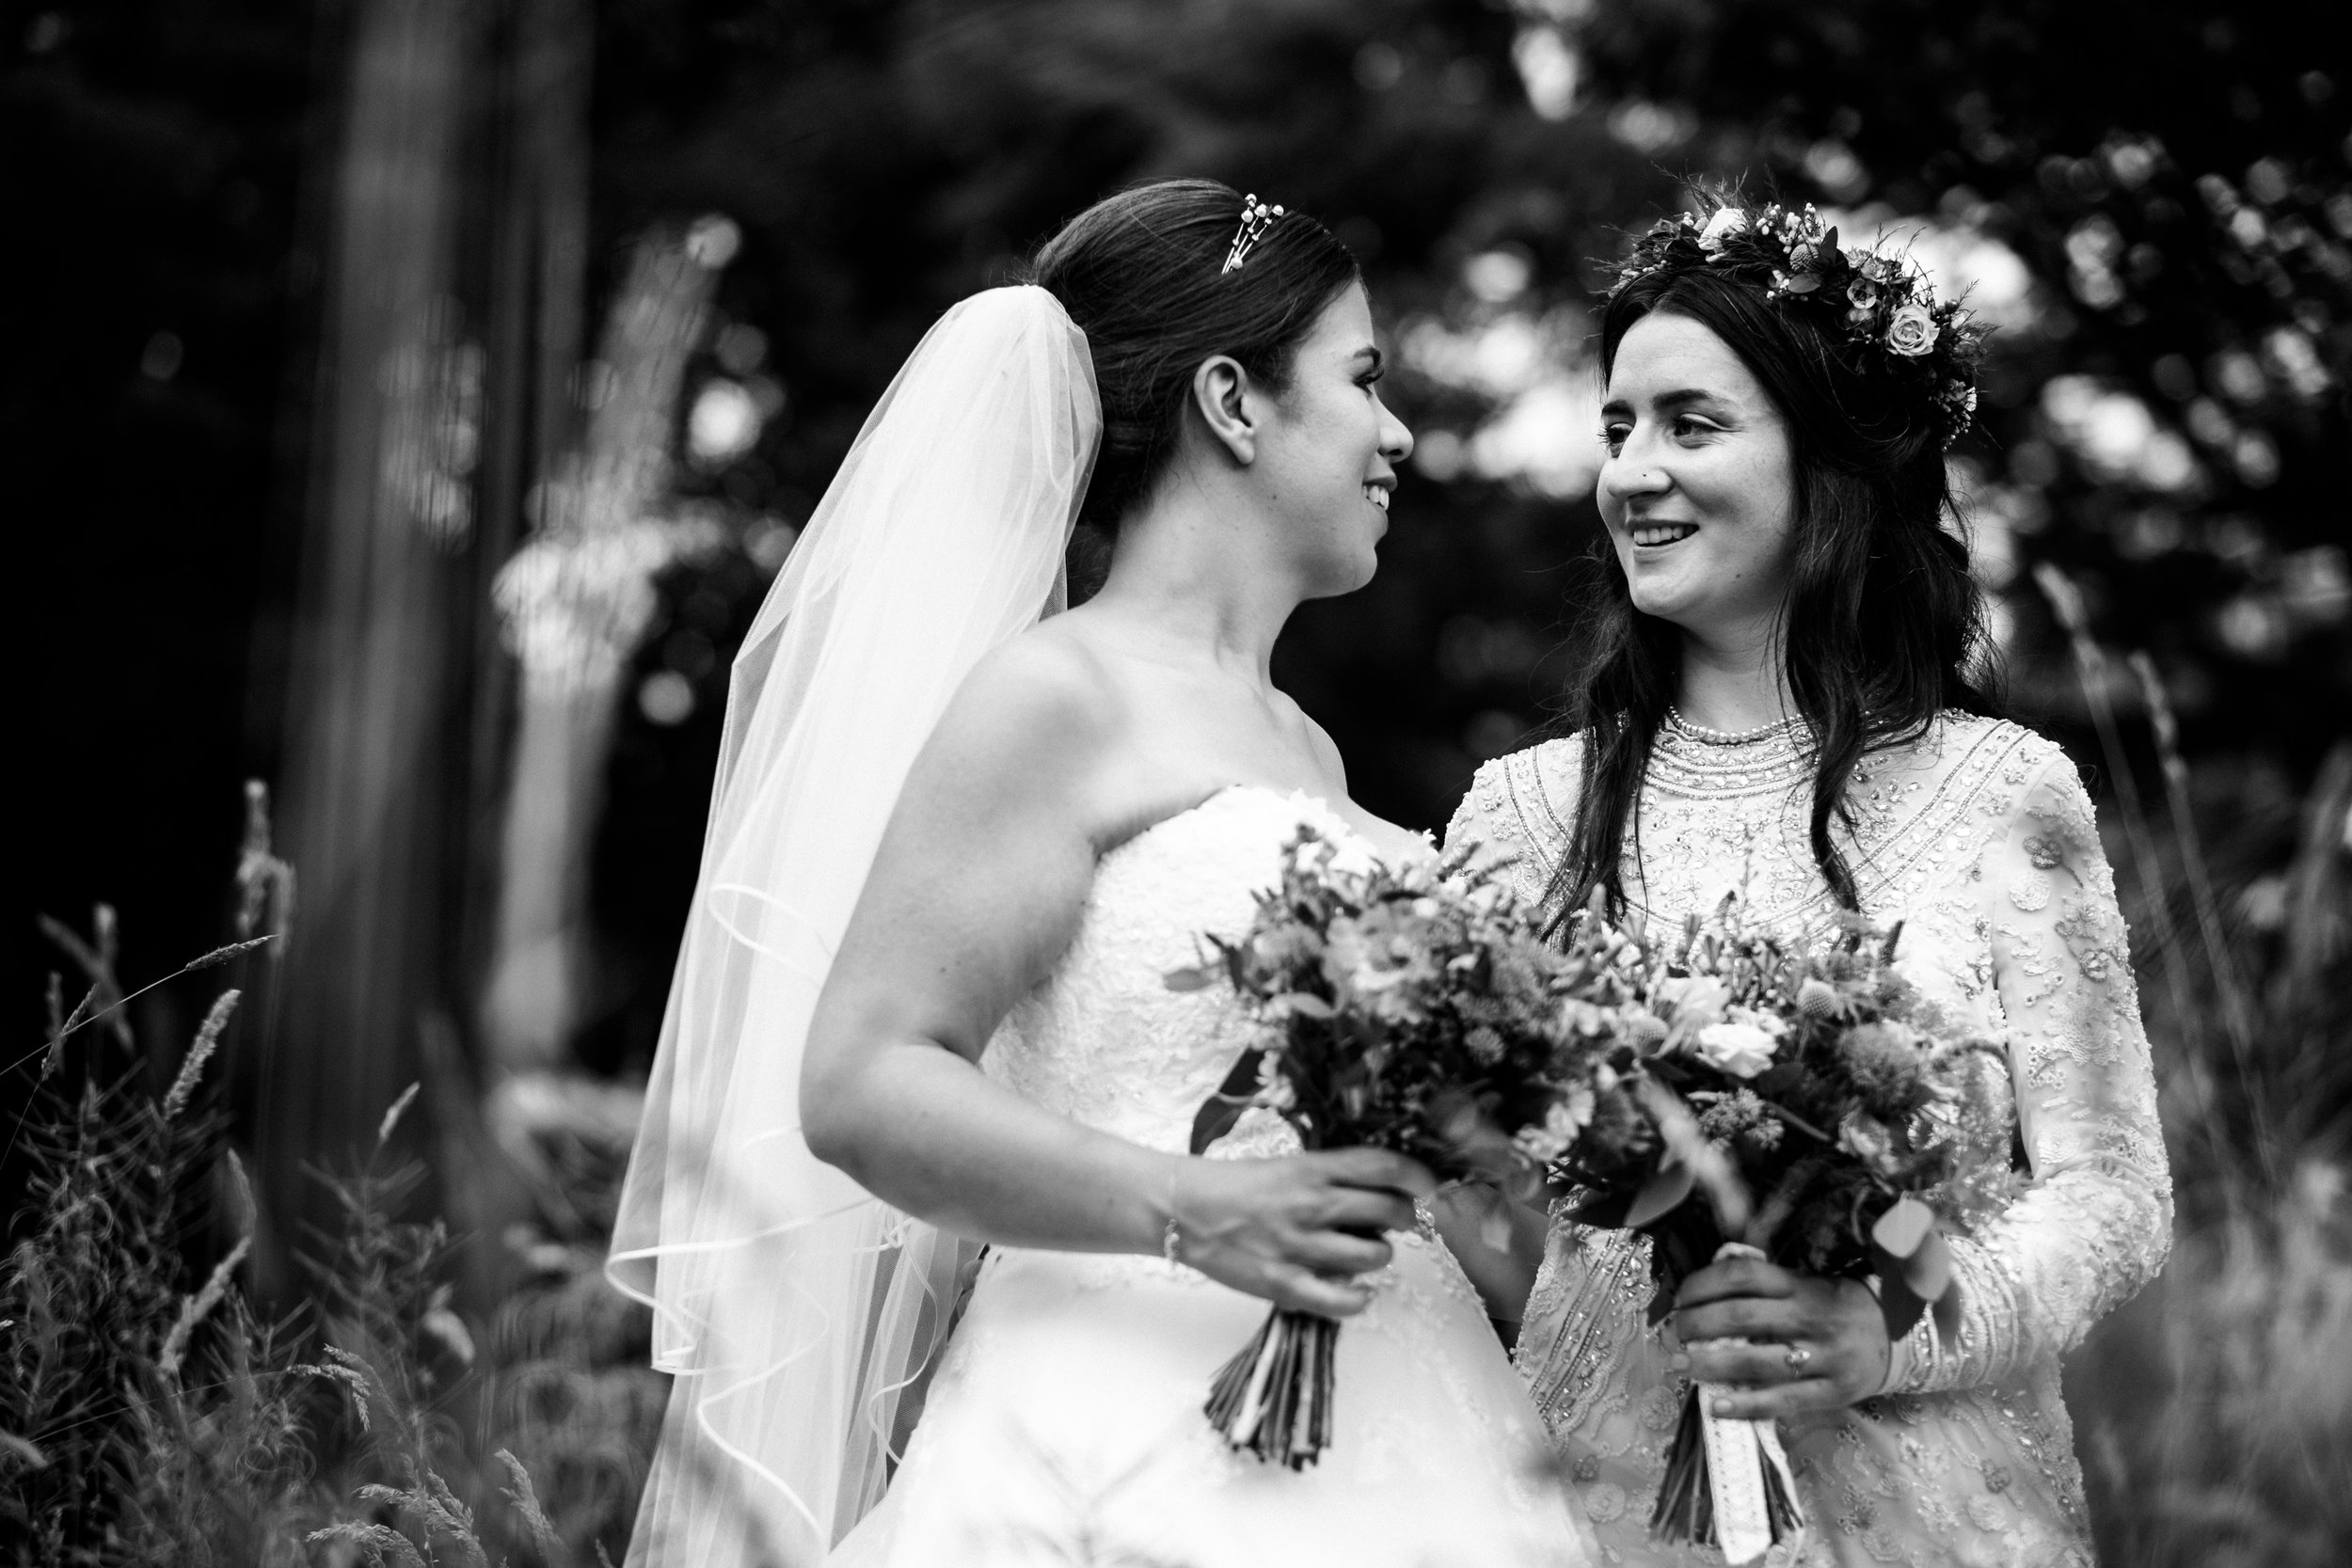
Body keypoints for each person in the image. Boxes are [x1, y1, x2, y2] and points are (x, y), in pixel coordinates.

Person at [612, 180, 1588, 1568]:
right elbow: (863, 1077)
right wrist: (1196, 1208)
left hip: (1413, 1423)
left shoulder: (1306, 745)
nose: (1397, 433)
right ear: (1233, 402)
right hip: (1119, 1427)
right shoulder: (1052, 697)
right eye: (1363, 382)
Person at [1446, 198, 2172, 1566]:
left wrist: (1895, 1317)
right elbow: (1471, 1209)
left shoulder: (2006, 793)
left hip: (1938, 1511)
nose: (1632, 473)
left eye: (1690, 424)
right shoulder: (1522, 814)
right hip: (1596, 1511)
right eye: (1616, 428)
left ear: (1828, 465)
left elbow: (2113, 1201)